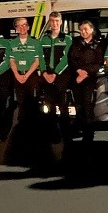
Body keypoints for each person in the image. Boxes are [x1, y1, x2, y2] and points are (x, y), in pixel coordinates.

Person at [68, 20, 105, 145]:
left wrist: (85, 73)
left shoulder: (98, 44)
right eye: (81, 30)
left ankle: (89, 135)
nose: (83, 32)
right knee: (78, 106)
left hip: (90, 80)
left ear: (91, 30)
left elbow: (98, 62)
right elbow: (72, 59)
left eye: (86, 29)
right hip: (77, 79)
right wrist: (78, 71)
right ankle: (80, 129)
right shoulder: (75, 43)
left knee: (88, 107)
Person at [38, 11, 73, 143]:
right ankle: (53, 135)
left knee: (63, 107)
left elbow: (66, 59)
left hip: (61, 77)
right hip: (46, 77)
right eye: (52, 21)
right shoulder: (43, 39)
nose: (54, 24)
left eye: (57, 21)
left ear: (61, 22)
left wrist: (56, 73)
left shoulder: (67, 39)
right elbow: (40, 57)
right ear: (49, 23)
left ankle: (66, 135)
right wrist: (44, 72)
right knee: (49, 107)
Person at [8, 16, 43, 128]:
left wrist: (27, 75)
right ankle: (21, 127)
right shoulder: (12, 43)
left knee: (33, 102)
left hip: (31, 76)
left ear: (28, 27)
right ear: (16, 28)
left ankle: (34, 126)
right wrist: (17, 75)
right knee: (21, 102)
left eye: (24, 25)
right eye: (19, 26)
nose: (22, 27)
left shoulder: (36, 42)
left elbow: (37, 61)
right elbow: (11, 60)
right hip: (17, 75)